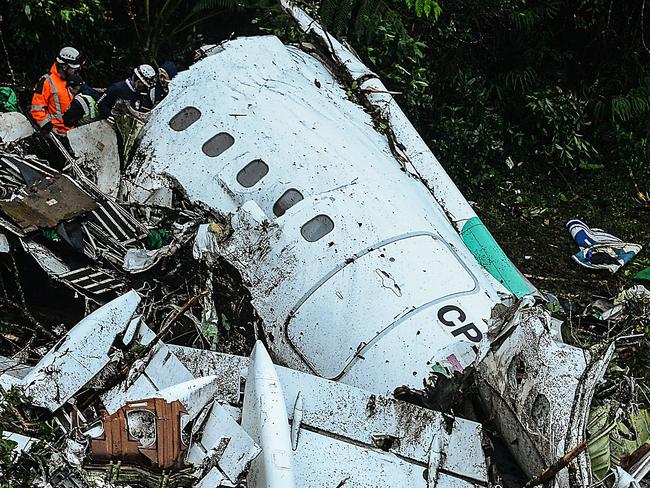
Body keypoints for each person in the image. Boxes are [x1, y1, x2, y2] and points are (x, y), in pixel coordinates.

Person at [30, 47, 82, 136]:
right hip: (55, 132)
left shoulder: (71, 80)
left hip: (71, 131)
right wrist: (49, 128)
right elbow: (36, 110)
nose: (75, 70)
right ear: (64, 66)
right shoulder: (47, 81)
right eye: (73, 68)